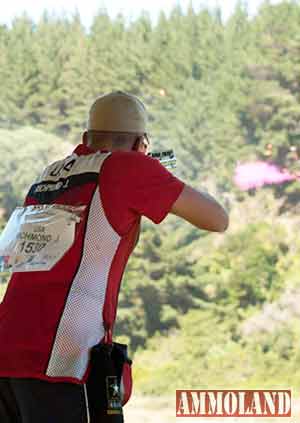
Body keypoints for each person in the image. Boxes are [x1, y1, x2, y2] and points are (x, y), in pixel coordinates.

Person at [0, 91, 229, 422]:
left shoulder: (50, 173)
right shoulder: (128, 166)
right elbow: (217, 218)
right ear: (141, 143)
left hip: (7, 346)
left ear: (85, 139)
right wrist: (151, 167)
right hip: (61, 355)